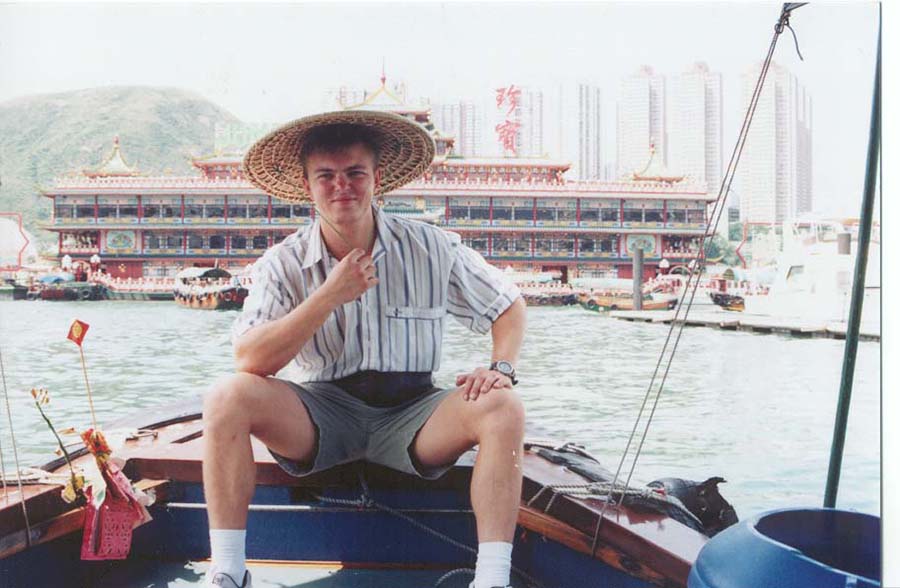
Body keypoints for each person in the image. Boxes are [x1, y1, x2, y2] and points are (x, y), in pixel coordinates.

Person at [203, 110, 527, 588]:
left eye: (355, 173)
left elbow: (508, 306)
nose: (342, 187)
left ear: (377, 178)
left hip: (414, 411)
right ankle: (229, 571)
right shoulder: (283, 262)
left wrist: (500, 366)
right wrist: (328, 296)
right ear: (307, 186)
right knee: (226, 397)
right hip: (321, 412)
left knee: (503, 405)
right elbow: (249, 359)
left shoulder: (431, 246)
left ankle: (492, 579)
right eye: (326, 176)